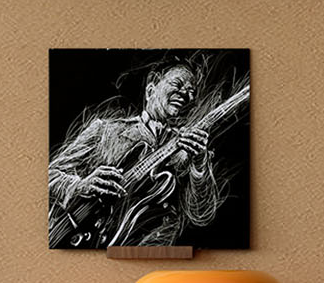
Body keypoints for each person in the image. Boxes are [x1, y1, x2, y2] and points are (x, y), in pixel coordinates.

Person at [47, 61, 220, 249]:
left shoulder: (191, 151)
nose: (187, 95)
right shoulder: (104, 130)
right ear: (151, 88)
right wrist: (80, 185)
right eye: (178, 84)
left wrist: (200, 163)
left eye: (192, 92)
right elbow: (50, 175)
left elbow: (201, 214)